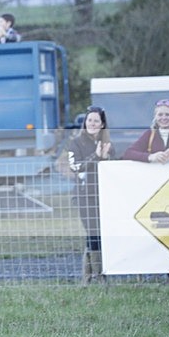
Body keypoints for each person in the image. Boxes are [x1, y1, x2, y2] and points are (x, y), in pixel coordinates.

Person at [67, 106, 113, 284]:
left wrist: (106, 156)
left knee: (102, 233)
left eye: (96, 121)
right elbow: (75, 167)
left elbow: (114, 165)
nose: (92, 123)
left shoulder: (108, 143)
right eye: (89, 120)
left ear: (102, 124)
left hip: (105, 195)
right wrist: (96, 156)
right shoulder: (76, 143)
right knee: (93, 233)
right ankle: (98, 275)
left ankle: (87, 276)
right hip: (85, 196)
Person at [122, 98, 169, 164]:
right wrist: (151, 157)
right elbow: (128, 154)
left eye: (168, 114)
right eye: (160, 115)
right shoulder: (150, 134)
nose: (164, 118)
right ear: (155, 116)